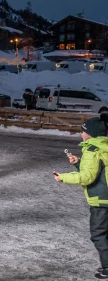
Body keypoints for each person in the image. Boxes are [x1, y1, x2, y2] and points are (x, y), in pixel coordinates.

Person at [54, 113, 108, 279]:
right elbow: (98, 171)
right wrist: (78, 163)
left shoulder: (93, 150)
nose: (81, 133)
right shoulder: (103, 147)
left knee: (99, 234)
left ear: (90, 134)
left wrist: (62, 177)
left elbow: (87, 177)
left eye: (83, 131)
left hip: (101, 200)